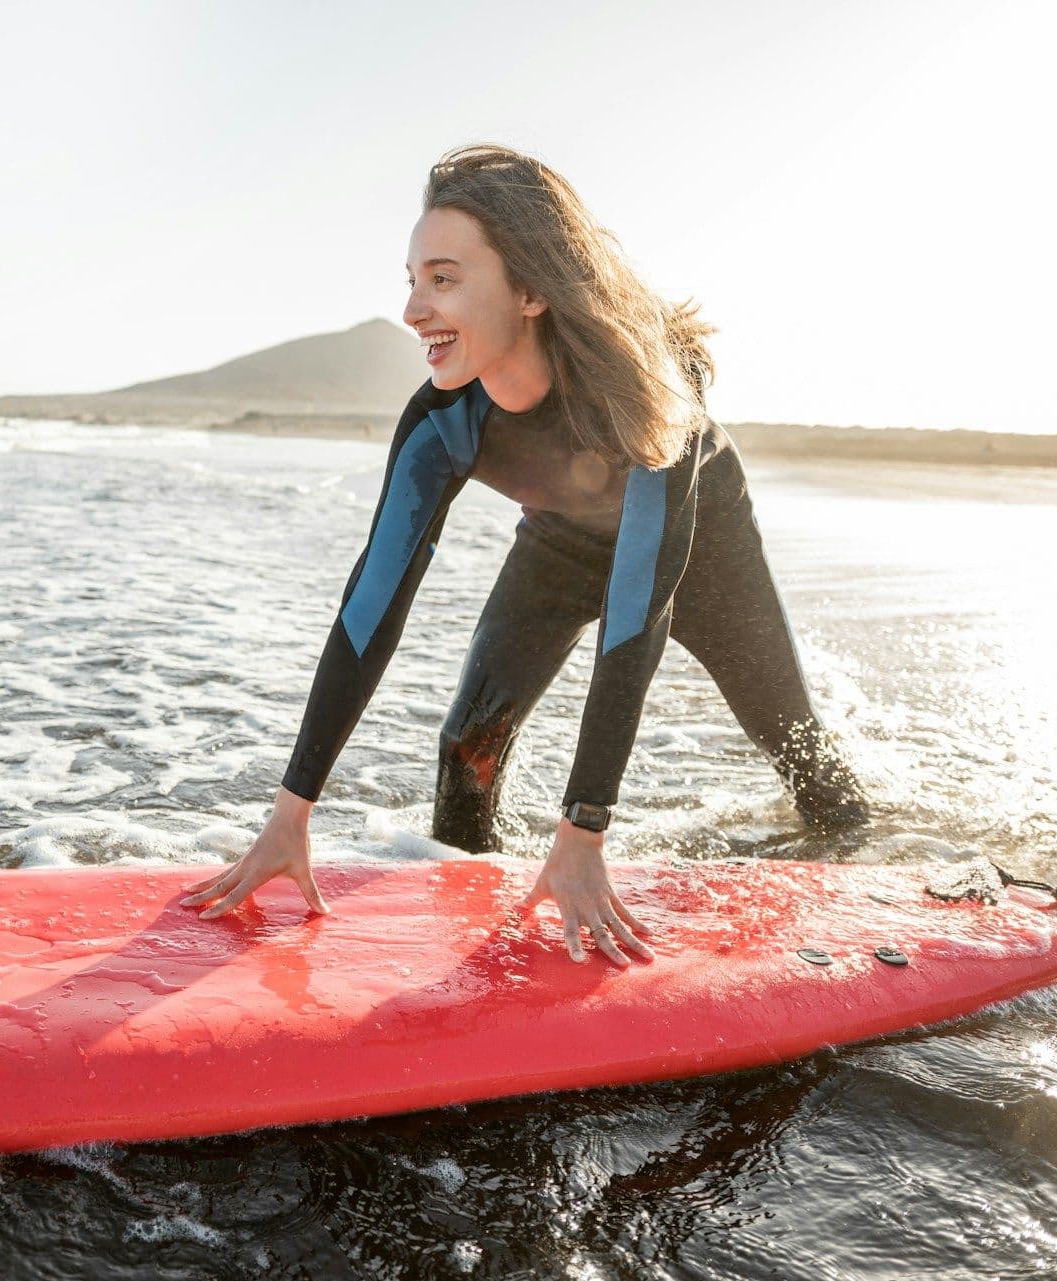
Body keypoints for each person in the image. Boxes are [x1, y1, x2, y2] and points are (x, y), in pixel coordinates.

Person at [182, 144, 871, 964]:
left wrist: (584, 827)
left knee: (798, 748)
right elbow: (372, 604)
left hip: (703, 548)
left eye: (444, 279)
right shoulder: (443, 420)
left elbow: (635, 615)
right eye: (411, 279)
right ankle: (477, 927)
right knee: (466, 749)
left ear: (532, 289)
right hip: (557, 542)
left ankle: (865, 878)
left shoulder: (645, 398)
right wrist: (291, 815)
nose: (412, 310)